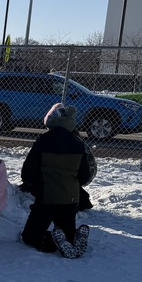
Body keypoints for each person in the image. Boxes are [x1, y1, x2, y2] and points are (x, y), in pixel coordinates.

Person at [19, 103, 92, 258]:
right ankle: (71, 238)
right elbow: (84, 176)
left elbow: (28, 173)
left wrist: (33, 187)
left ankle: (49, 241)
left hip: (46, 198)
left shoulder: (43, 142)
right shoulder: (79, 145)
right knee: (66, 229)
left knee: (30, 236)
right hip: (70, 199)